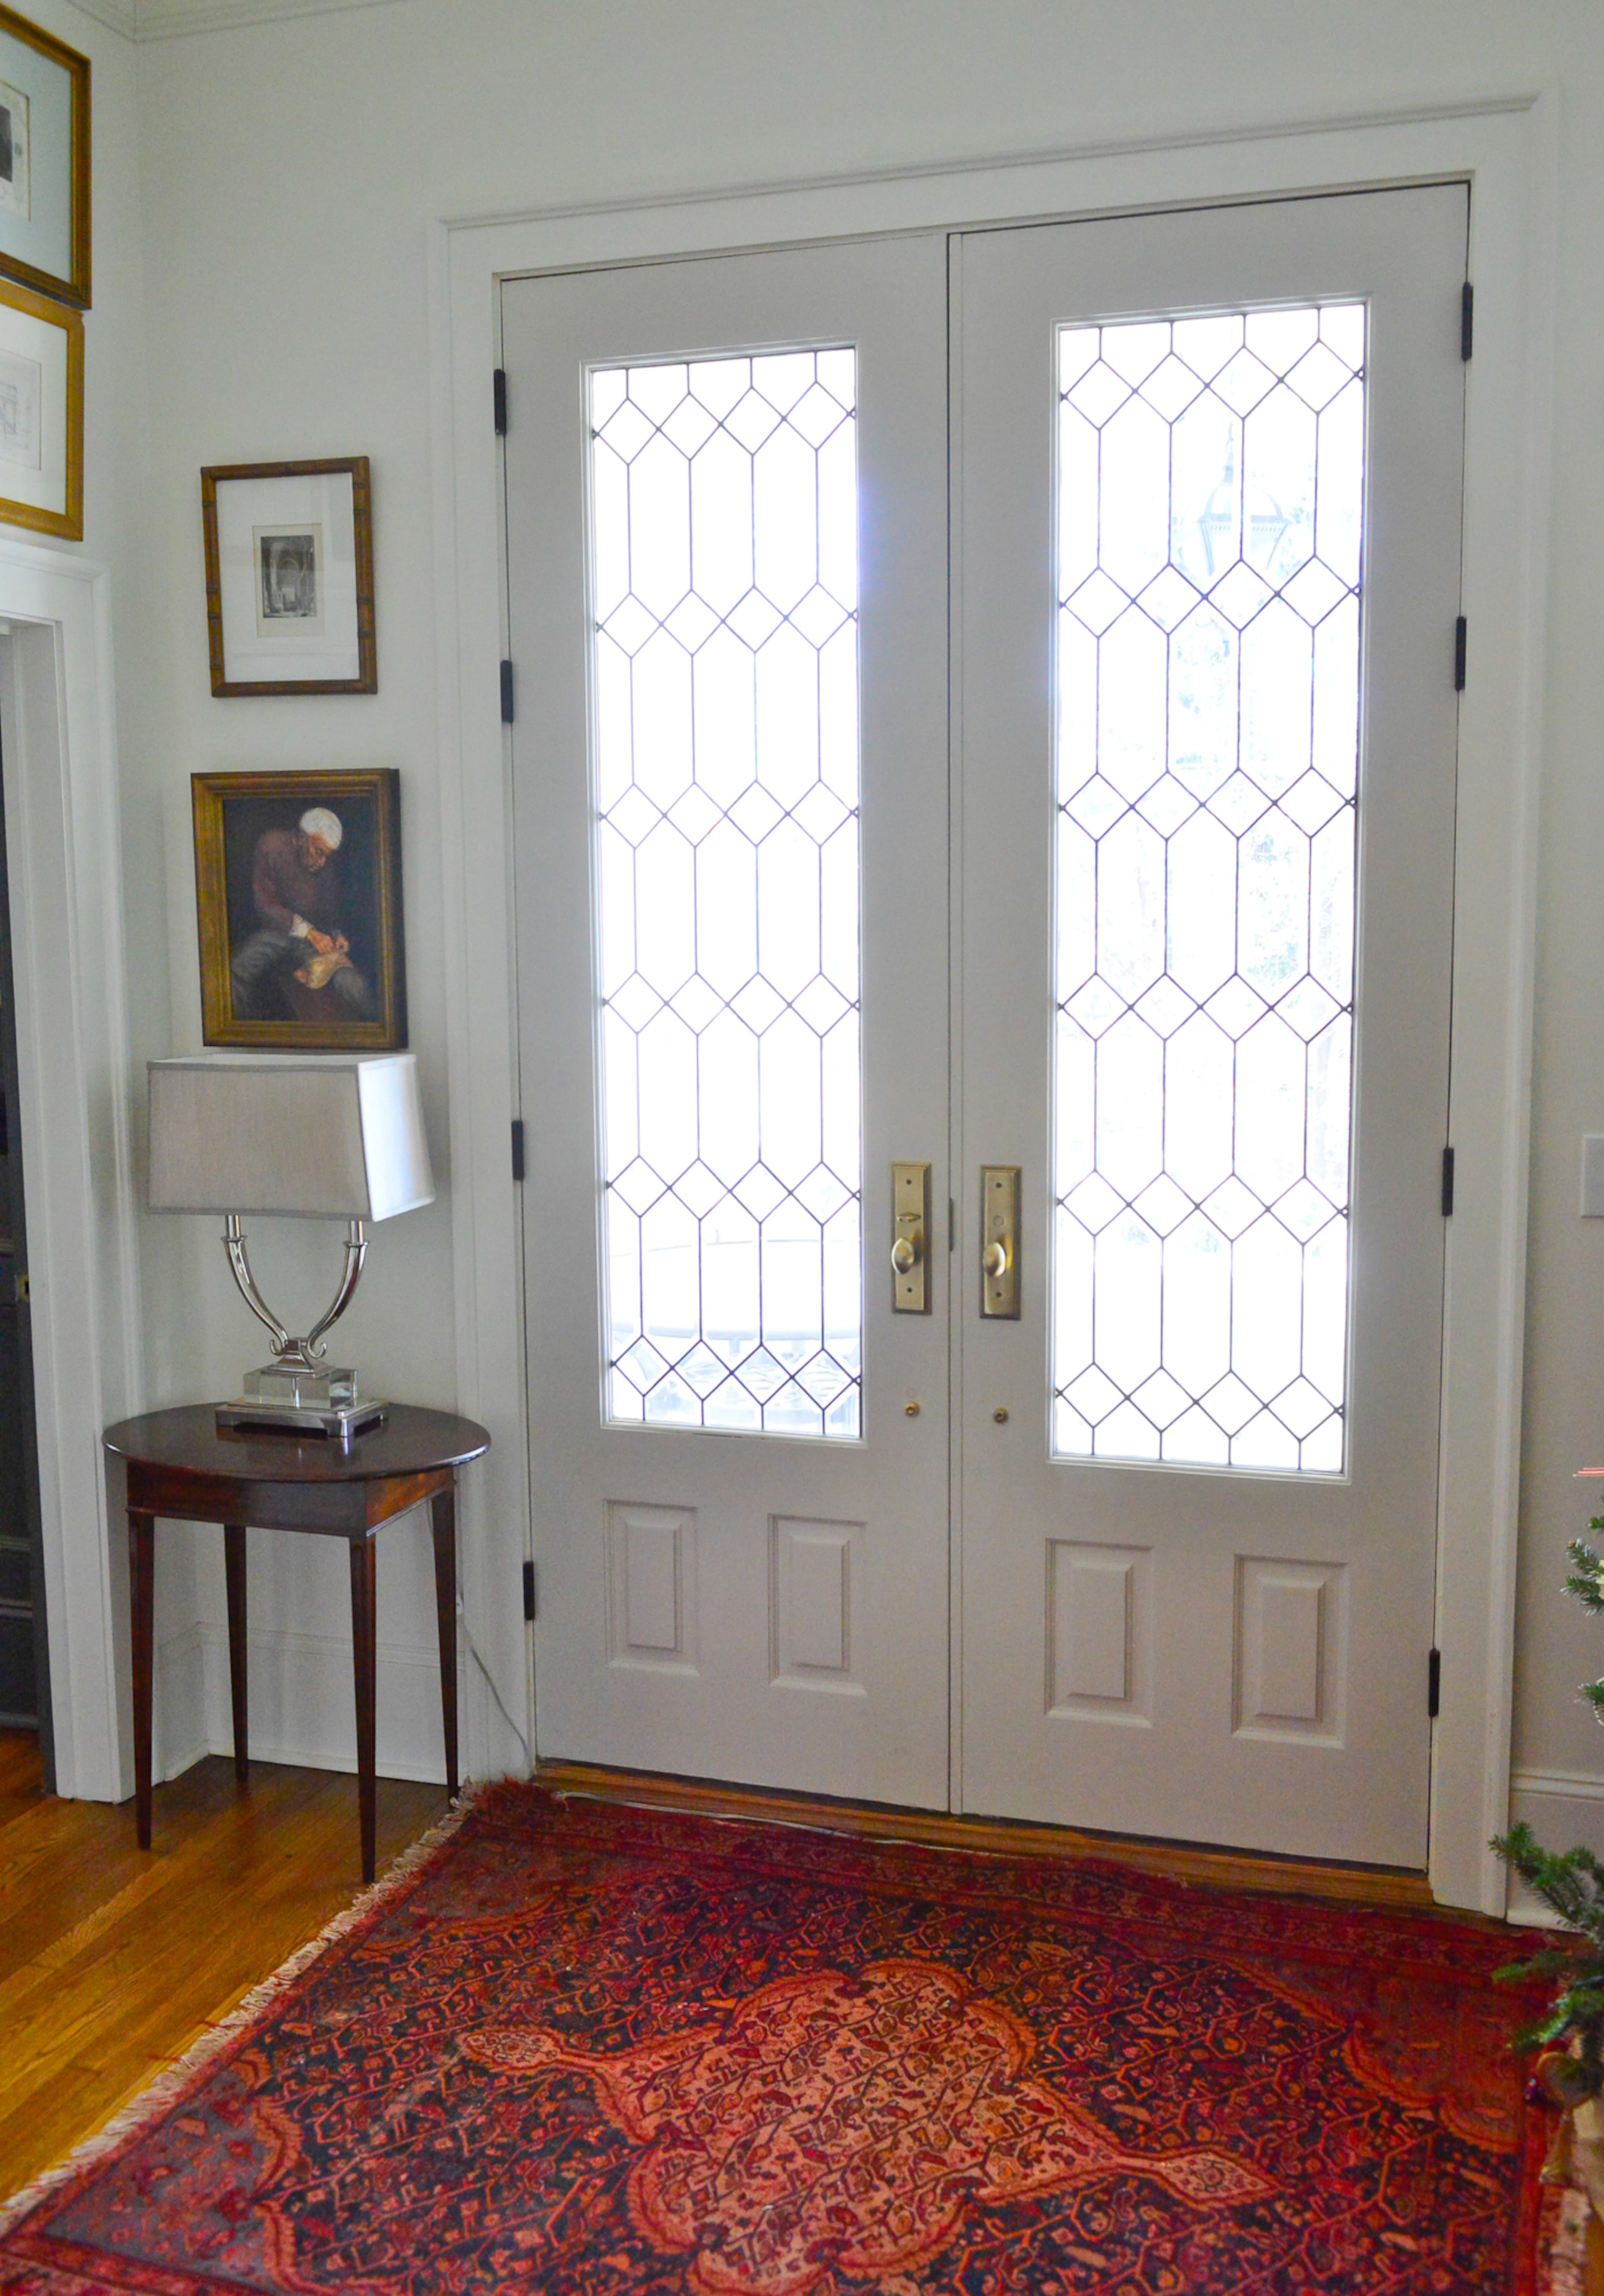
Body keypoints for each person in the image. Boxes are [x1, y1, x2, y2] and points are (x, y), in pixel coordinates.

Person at [229, 806, 376, 1021]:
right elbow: (266, 907)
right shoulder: (271, 846)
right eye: (319, 852)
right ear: (301, 838)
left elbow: (329, 910)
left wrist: (336, 934)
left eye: (327, 856)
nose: (323, 862)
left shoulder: (326, 862)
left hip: (315, 939)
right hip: (274, 933)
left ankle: (375, 1023)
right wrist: (309, 932)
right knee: (238, 969)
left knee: (350, 980)